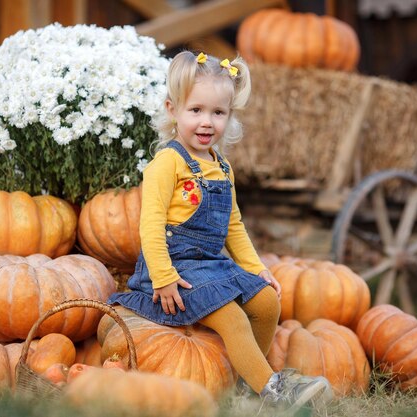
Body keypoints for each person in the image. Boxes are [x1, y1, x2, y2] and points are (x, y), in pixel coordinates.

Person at [108, 51, 333, 413]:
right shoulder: (168, 162)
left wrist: (256, 268)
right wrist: (164, 277)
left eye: (218, 112)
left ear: (229, 117)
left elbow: (233, 226)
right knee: (230, 316)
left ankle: (247, 388)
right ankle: (274, 393)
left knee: (267, 301)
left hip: (211, 265)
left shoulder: (222, 167)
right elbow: (149, 225)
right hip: (175, 270)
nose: (206, 121)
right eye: (195, 110)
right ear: (172, 109)